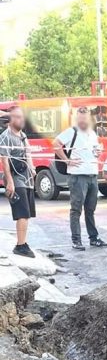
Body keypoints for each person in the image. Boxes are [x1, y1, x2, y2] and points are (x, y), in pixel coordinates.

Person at [54, 107, 107, 250]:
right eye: (80, 118)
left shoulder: (92, 133)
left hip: (92, 175)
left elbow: (95, 152)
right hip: (77, 176)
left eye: (84, 118)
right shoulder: (71, 131)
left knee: (90, 209)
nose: (82, 121)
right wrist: (67, 161)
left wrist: (98, 152)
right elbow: (56, 144)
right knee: (76, 209)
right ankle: (76, 240)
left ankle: (93, 238)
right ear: (76, 118)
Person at [0, 106, 36, 258]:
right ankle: (20, 245)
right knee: (22, 212)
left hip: (26, 177)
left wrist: (32, 167)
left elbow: (28, 152)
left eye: (22, 117)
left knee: (27, 214)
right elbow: (5, 161)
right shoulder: (5, 137)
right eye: (18, 117)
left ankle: (23, 242)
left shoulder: (23, 135)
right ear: (10, 119)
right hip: (15, 177)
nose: (22, 120)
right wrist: (10, 182)